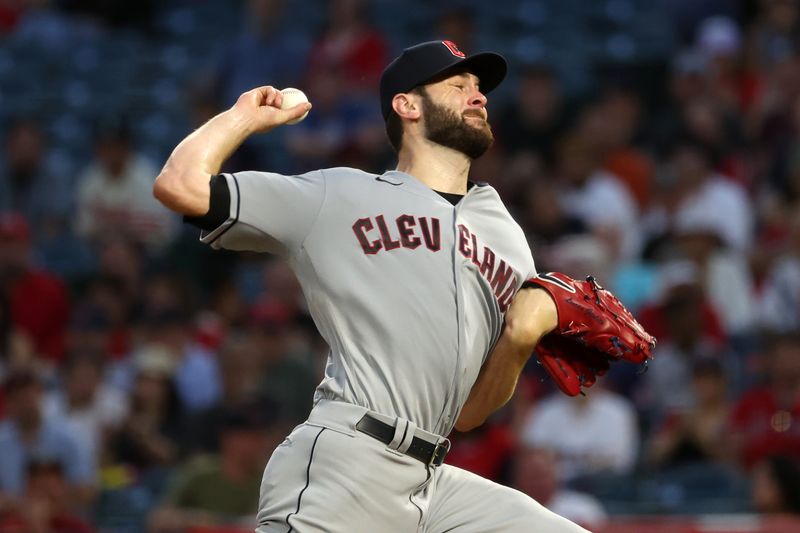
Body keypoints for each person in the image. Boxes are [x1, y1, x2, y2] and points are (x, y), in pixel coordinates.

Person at [153, 40, 589, 532]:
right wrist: (244, 117)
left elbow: (467, 415)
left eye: (479, 88)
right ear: (407, 106)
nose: (478, 96)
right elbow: (180, 185)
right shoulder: (339, 194)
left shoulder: (505, 235)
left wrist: (518, 340)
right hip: (348, 462)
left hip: (433, 479)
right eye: (458, 85)